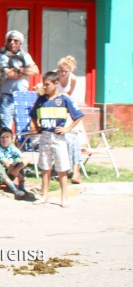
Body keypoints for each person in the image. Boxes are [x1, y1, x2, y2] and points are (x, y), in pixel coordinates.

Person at [30, 70, 84, 206]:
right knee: (45, 167)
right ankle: (44, 196)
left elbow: (78, 115)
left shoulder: (64, 99)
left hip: (58, 137)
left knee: (62, 168)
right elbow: (33, 115)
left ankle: (64, 197)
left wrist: (68, 128)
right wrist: (35, 126)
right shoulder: (41, 100)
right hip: (45, 136)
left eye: (47, 84)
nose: (45, 87)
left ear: (56, 84)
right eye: (44, 84)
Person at [0, 30, 39, 132]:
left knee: (24, 127)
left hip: (22, 95)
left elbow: (35, 70)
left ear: (20, 44)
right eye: (9, 40)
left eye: (15, 41)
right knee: (6, 127)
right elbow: (8, 74)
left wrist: (19, 70)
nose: (12, 43)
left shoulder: (25, 55)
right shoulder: (2, 55)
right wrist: (24, 71)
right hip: (6, 96)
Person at [57, 55, 87, 183]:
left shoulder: (73, 79)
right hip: (55, 107)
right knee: (70, 138)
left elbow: (68, 95)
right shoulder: (54, 76)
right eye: (61, 70)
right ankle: (75, 170)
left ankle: (76, 170)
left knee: (75, 137)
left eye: (66, 71)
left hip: (66, 106)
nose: (63, 73)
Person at [0, 128, 27, 197]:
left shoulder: (12, 147)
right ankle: (14, 189)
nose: (5, 140)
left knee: (19, 161)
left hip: (10, 173)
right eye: (2, 137)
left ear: (11, 139)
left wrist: (17, 170)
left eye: (7, 137)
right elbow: (6, 163)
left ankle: (22, 186)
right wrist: (17, 173)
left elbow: (25, 159)